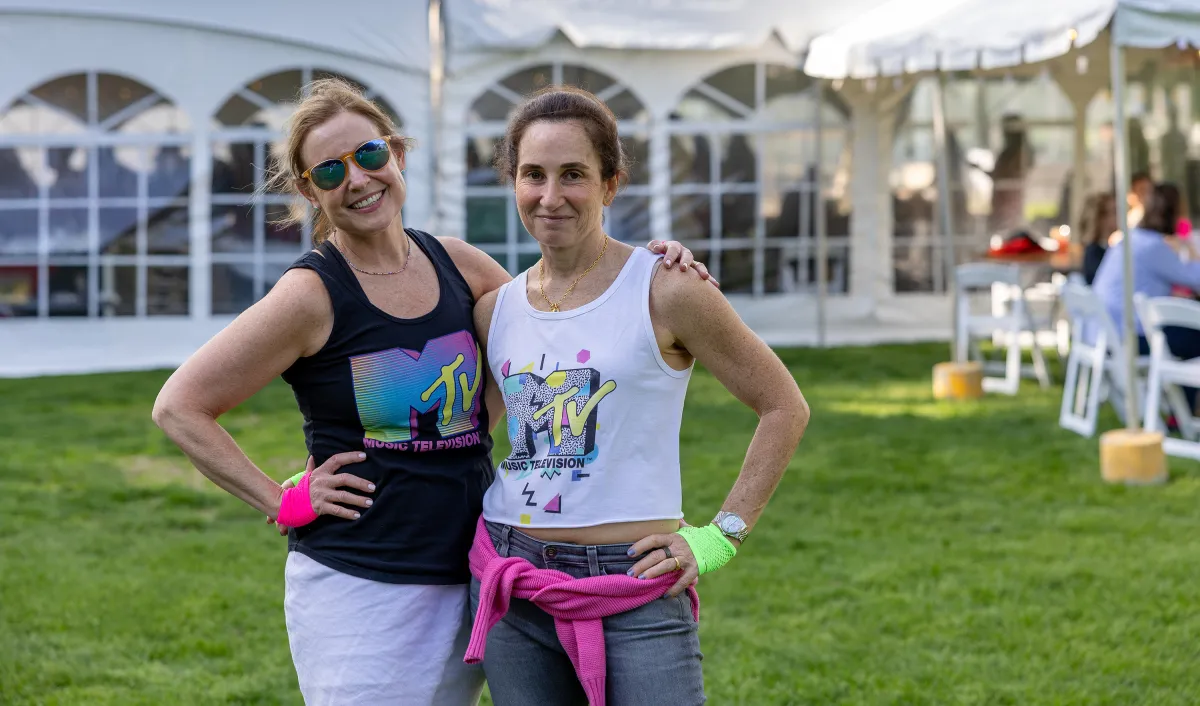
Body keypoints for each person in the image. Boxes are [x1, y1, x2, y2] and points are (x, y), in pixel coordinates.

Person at [151, 78, 710, 706]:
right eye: (329, 171)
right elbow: (180, 406)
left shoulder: (457, 264)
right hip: (363, 588)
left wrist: (652, 265)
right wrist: (280, 503)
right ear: (309, 190)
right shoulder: (311, 295)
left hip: (474, 575)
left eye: (367, 156)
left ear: (396, 154)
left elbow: (548, 326)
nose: (357, 180)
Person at [465, 85, 811, 705]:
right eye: (532, 175)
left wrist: (720, 535)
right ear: (512, 183)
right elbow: (474, 435)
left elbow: (783, 404)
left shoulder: (666, 288)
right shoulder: (496, 310)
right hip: (513, 582)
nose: (551, 196)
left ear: (611, 183)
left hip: (636, 583)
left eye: (573, 174)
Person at [1093, 182, 1200, 410]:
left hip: (1108, 332)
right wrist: (1191, 249)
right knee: (1193, 337)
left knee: (1188, 333)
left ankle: (1182, 408)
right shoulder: (1152, 247)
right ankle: (1183, 410)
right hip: (1130, 335)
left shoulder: (1132, 239)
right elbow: (1195, 278)